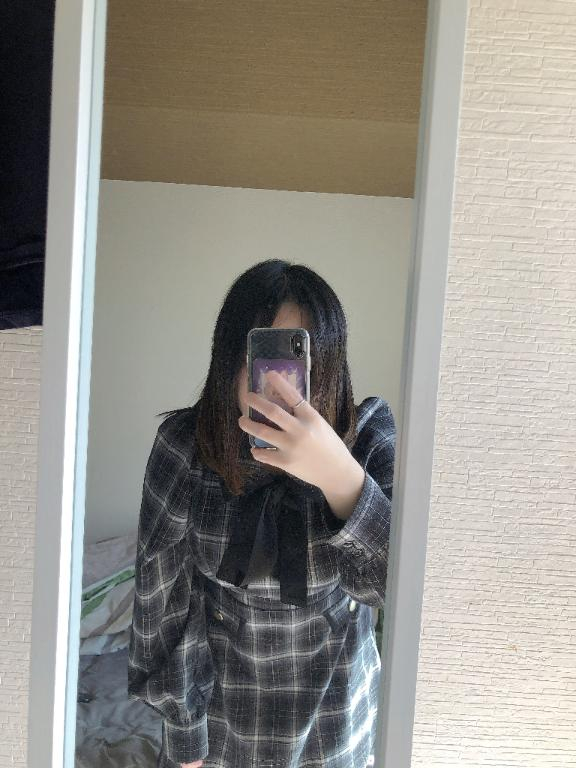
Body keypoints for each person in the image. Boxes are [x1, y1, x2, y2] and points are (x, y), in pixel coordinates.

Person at [127, 259, 396, 768]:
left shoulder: (369, 438)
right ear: (231, 358)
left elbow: (399, 591)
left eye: (296, 359)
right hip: (222, 732)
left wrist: (341, 478)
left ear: (328, 364)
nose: (278, 383)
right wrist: (184, 738)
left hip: (337, 731)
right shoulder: (185, 448)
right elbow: (162, 604)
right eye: (262, 358)